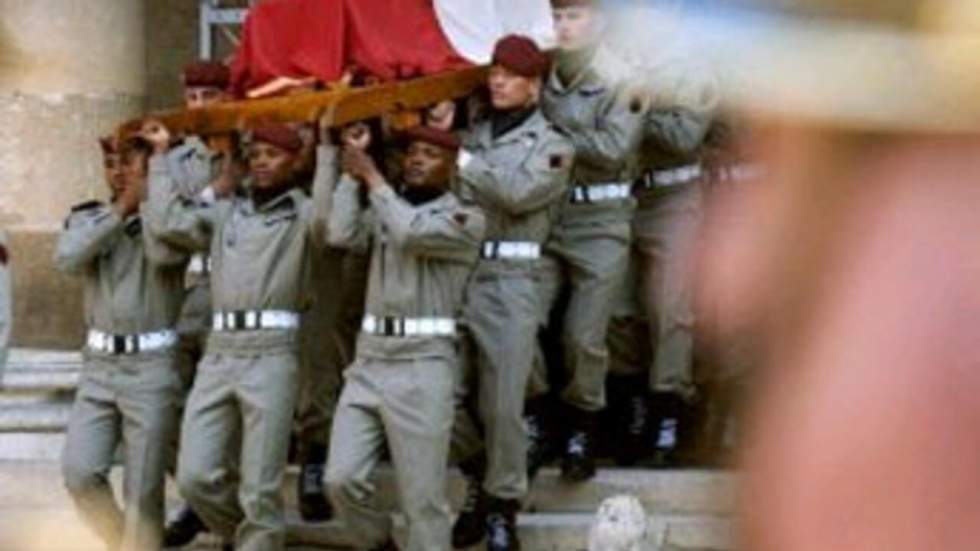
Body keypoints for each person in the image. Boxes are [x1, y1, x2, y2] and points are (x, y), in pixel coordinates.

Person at [143, 120, 331, 551]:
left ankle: (258, 539)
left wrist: (328, 150)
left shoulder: (302, 213)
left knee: (260, 487)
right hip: (220, 352)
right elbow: (169, 222)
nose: (262, 163)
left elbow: (328, 222)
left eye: (273, 155)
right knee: (195, 475)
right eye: (256, 155)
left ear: (294, 160)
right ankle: (249, 537)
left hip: (271, 352)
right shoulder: (228, 211)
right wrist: (158, 158)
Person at [322, 123, 485, 551]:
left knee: (423, 502)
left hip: (423, 363)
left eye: (430, 154)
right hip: (371, 359)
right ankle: (378, 542)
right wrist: (347, 174)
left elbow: (412, 233)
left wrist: (373, 178)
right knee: (339, 478)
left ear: (451, 167)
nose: (416, 159)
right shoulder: (386, 206)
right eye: (412, 151)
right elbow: (339, 234)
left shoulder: (464, 217)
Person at [449, 35, 574, 551]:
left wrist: (463, 163)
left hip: (514, 279)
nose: (497, 80)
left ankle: (502, 505)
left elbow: (518, 194)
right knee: (442, 396)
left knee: (503, 403)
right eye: (494, 72)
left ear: (534, 84)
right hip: (461, 273)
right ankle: (481, 469)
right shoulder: (472, 133)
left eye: (509, 73)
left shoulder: (554, 145)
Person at [56, 135, 187, 551]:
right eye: (112, 164)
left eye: (130, 164)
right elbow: (67, 259)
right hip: (98, 367)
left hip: (150, 366)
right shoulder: (90, 218)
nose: (119, 173)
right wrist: (118, 213)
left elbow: (168, 256)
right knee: (79, 472)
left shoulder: (167, 223)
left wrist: (148, 205)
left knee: (143, 490)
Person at [534, 0, 647, 481]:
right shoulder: (539, 72)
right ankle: (535, 416)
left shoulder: (626, 78)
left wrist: (550, 131)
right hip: (546, 215)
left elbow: (613, 148)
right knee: (521, 322)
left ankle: (583, 423)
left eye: (574, 16)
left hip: (600, 219)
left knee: (584, 335)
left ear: (599, 21)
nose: (563, 26)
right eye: (557, 16)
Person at [161, 60, 241, 548]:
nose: (199, 108)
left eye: (210, 97)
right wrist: (214, 194)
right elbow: (167, 222)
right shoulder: (175, 159)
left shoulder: (252, 154)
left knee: (221, 413)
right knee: (166, 406)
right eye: (192, 98)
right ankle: (201, 498)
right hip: (181, 296)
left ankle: (216, 505)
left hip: (232, 298)